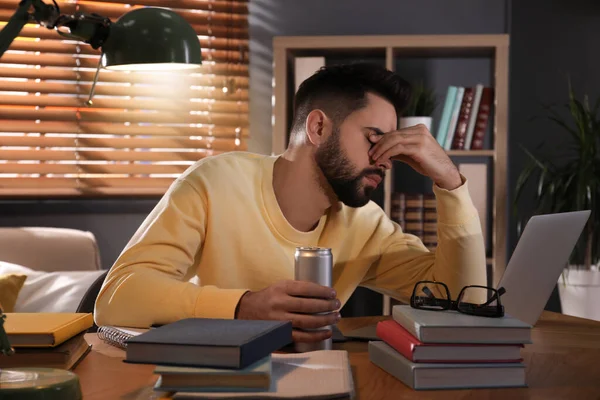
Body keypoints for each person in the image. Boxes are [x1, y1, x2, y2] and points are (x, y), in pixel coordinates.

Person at [94, 63, 486, 343]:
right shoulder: (214, 182)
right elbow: (116, 300)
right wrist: (243, 307)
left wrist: (450, 182)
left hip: (313, 377)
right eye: (373, 138)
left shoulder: (367, 223)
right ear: (317, 127)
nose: (385, 158)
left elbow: (463, 303)